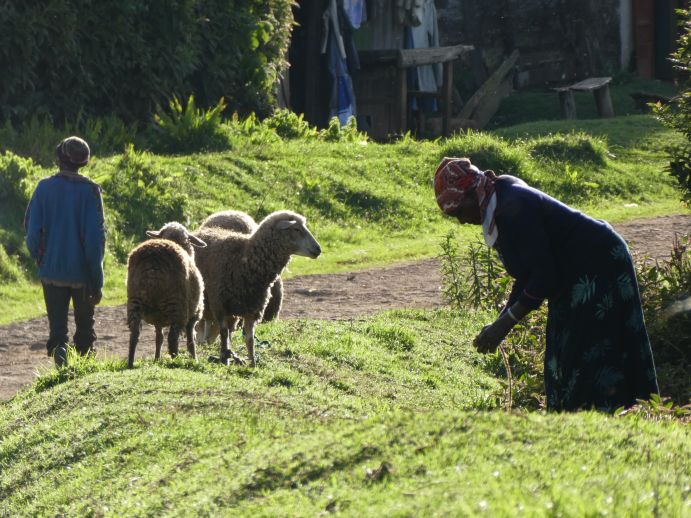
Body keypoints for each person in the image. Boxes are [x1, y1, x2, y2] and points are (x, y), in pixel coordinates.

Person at [434, 157, 659, 412]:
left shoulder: (512, 204)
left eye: (459, 211)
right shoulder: (498, 198)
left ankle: (611, 418)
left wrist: (505, 324)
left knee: (592, 352)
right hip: (572, 272)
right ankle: (576, 421)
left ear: (473, 193)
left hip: (598, 265)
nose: (461, 221)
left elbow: (544, 277)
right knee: (564, 354)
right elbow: (531, 273)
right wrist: (501, 321)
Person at [24, 136, 106, 367]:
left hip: (51, 271)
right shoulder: (91, 191)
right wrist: (96, 280)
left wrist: (41, 259)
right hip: (83, 275)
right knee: (85, 332)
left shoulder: (44, 187)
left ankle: (61, 364)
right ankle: (85, 374)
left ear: (59, 158)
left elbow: (31, 231)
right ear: (84, 162)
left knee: (58, 331)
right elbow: (95, 241)